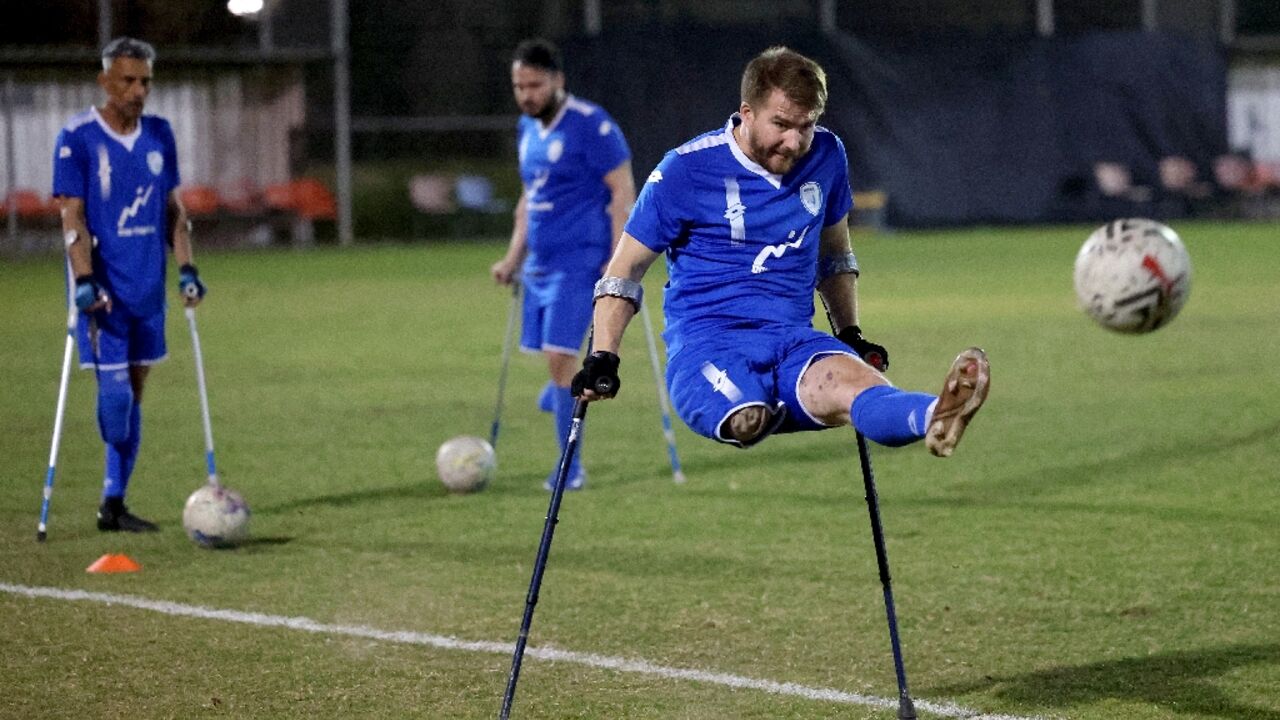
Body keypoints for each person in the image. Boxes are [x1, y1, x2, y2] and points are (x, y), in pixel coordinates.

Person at [573, 46, 989, 459]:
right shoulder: (684, 170)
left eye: (806, 126)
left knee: (860, 387)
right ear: (747, 112)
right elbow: (623, 271)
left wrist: (849, 334)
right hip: (707, 346)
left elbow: (835, 256)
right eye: (781, 124)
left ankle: (937, 414)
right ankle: (747, 415)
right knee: (744, 409)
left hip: (793, 342)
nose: (794, 142)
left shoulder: (826, 154)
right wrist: (603, 356)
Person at [52, 37, 206, 532]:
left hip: (147, 289)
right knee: (115, 402)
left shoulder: (160, 134)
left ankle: (113, 503)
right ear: (105, 81)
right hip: (101, 293)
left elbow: (172, 210)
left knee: (135, 390)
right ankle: (112, 496)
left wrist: (186, 269)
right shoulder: (77, 137)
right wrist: (82, 280)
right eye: (128, 80)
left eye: (145, 81)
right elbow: (71, 217)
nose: (139, 90)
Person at [490, 38, 636, 491]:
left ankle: (570, 468)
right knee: (553, 362)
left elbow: (622, 192)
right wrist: (513, 257)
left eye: (534, 85)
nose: (526, 94)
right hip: (540, 264)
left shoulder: (592, 126)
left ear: (558, 82)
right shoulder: (526, 129)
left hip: (581, 261)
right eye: (519, 86)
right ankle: (557, 394)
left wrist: (617, 265)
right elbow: (528, 198)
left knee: (560, 358)